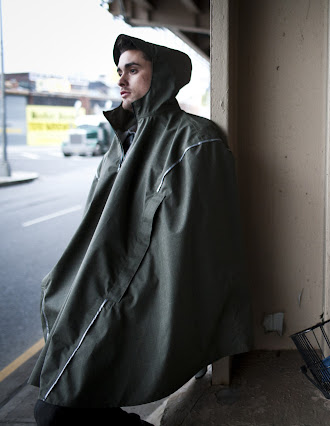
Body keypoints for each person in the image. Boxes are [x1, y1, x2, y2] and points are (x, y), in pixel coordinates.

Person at [28, 34, 252, 425]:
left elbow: (201, 244)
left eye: (133, 70)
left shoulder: (196, 139)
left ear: (161, 75)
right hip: (102, 282)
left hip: (133, 291)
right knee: (68, 396)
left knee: (54, 411)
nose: (121, 80)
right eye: (120, 71)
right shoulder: (125, 137)